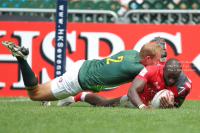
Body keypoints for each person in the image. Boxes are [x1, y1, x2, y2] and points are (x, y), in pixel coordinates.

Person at [1, 40, 162, 102]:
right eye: (157, 59)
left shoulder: (133, 52)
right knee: (34, 94)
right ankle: (22, 58)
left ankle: (61, 98)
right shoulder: (139, 68)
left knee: (45, 92)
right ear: (147, 58)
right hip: (77, 79)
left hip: (83, 65)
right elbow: (155, 74)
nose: (158, 63)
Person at [57, 58, 192, 109]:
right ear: (163, 70)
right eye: (169, 77)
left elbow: (177, 106)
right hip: (139, 99)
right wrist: (142, 106)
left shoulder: (184, 85)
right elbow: (132, 90)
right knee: (105, 104)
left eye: (175, 78)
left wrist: (170, 107)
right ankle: (74, 97)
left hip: (152, 104)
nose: (171, 81)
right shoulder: (151, 70)